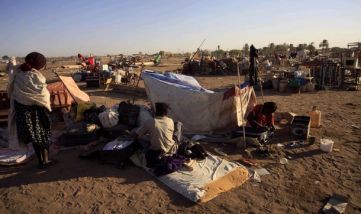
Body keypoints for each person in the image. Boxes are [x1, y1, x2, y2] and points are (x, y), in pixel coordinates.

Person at [8, 52, 54, 168]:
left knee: (34, 138)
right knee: (43, 136)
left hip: (24, 116)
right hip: (38, 114)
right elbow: (43, 97)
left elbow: (14, 92)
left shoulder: (18, 75)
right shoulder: (36, 77)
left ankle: (40, 161)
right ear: (40, 65)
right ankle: (46, 161)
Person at [133, 102, 178, 167]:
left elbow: (135, 135)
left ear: (156, 111)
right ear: (166, 112)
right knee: (179, 124)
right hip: (172, 150)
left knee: (140, 137)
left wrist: (127, 133)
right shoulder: (170, 120)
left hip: (156, 151)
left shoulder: (149, 121)